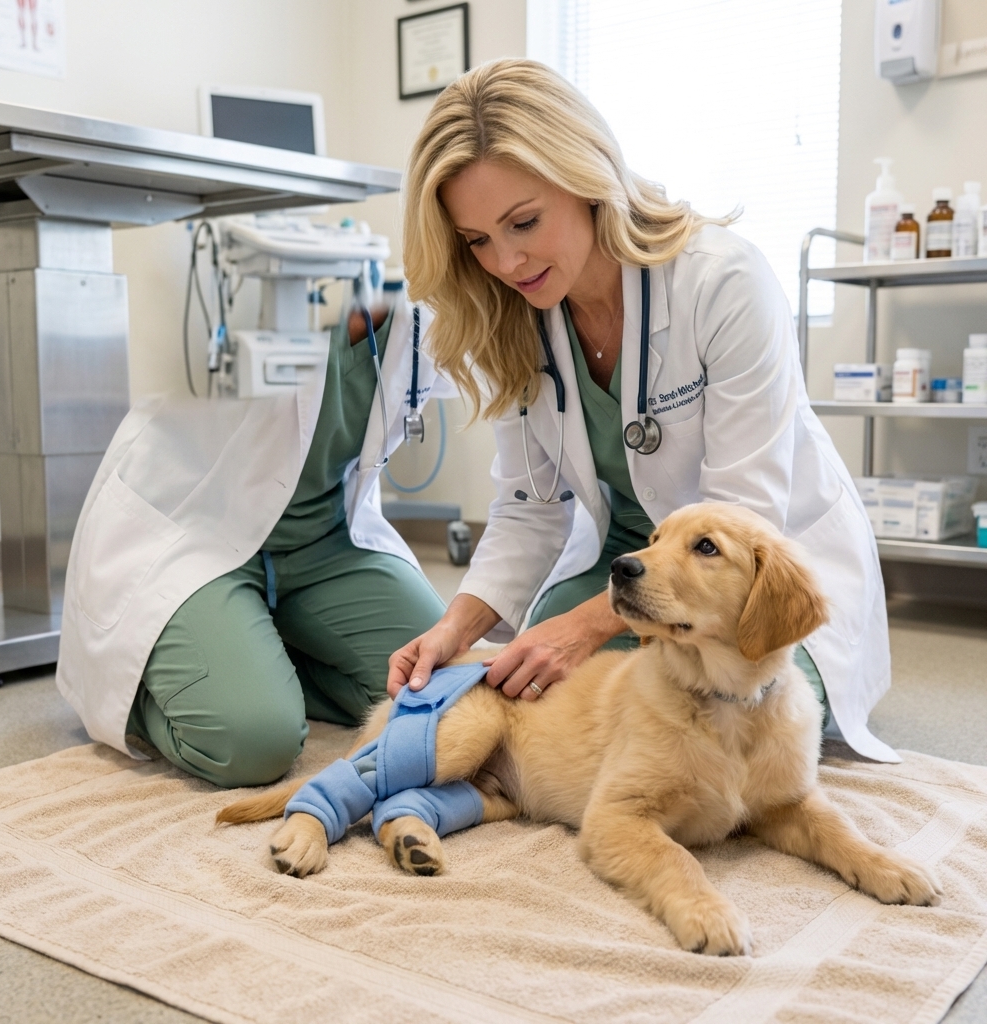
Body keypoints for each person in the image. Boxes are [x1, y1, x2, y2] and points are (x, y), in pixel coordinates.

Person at [388, 59, 896, 762]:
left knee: (741, 702)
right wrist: (456, 625)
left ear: (587, 178)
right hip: (622, 554)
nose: (505, 261)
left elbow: (745, 509)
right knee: (529, 679)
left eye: (524, 222)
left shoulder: (724, 282)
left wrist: (586, 628)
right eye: (476, 241)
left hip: (738, 568)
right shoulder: (514, 317)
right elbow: (529, 510)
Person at [57, 289, 453, 786]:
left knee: (443, 688)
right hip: (199, 539)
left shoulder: (416, 315)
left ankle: (262, 659)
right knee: (254, 743)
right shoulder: (263, 282)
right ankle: (140, 687)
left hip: (327, 542)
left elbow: (496, 368)